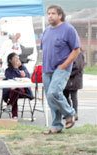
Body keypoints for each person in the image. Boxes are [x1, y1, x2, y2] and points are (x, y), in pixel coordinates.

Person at [41, 5, 80, 134]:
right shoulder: (46, 31)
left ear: (60, 15)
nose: (50, 16)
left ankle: (70, 114)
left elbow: (76, 50)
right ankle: (56, 125)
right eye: (48, 13)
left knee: (54, 92)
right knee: (50, 98)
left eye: (53, 13)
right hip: (47, 69)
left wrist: (64, 65)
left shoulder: (68, 29)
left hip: (61, 69)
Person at [1, 53, 33, 119]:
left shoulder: (23, 68)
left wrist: (24, 75)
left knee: (16, 89)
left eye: (18, 58)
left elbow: (28, 77)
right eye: (15, 58)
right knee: (15, 90)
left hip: (23, 91)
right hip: (12, 91)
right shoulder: (8, 70)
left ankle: (10, 106)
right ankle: (14, 116)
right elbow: (11, 79)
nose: (17, 59)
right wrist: (16, 68)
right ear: (10, 60)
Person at [63, 50, 84, 121]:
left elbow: (78, 67)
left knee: (73, 97)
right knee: (65, 96)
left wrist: (67, 73)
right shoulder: (68, 52)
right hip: (67, 78)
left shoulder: (78, 53)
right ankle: (69, 113)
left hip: (74, 79)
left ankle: (75, 114)